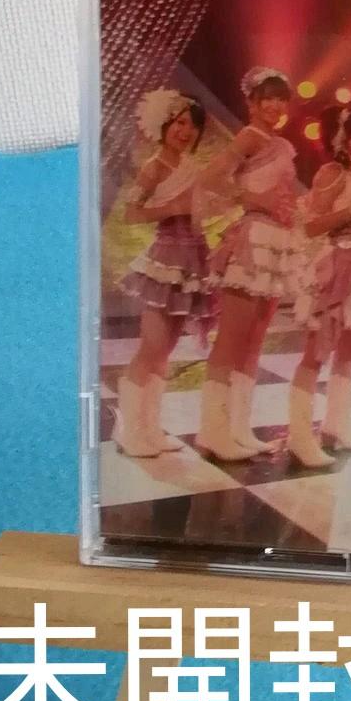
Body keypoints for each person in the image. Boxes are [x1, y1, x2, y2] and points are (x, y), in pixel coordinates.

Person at [195, 67, 303, 461]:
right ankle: (213, 430)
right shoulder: (250, 136)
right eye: (267, 98)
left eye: (280, 99)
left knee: (254, 340)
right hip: (252, 240)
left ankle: (239, 428)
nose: (274, 106)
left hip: (275, 241)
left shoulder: (279, 143)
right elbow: (210, 178)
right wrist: (253, 200)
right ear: (252, 103)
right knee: (232, 338)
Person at [115, 90, 213, 457]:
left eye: (193, 125)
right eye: (180, 123)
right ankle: (128, 429)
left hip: (191, 259)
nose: (186, 131)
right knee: (152, 346)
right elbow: (130, 214)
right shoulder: (154, 167)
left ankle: (151, 428)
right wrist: (172, 207)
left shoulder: (192, 167)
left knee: (166, 350)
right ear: (164, 125)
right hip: (164, 261)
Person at [289, 105, 351, 467]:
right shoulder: (333, 172)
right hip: (336, 266)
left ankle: (336, 425)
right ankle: (300, 436)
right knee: (317, 351)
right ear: (342, 138)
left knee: (349, 350)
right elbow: (312, 225)